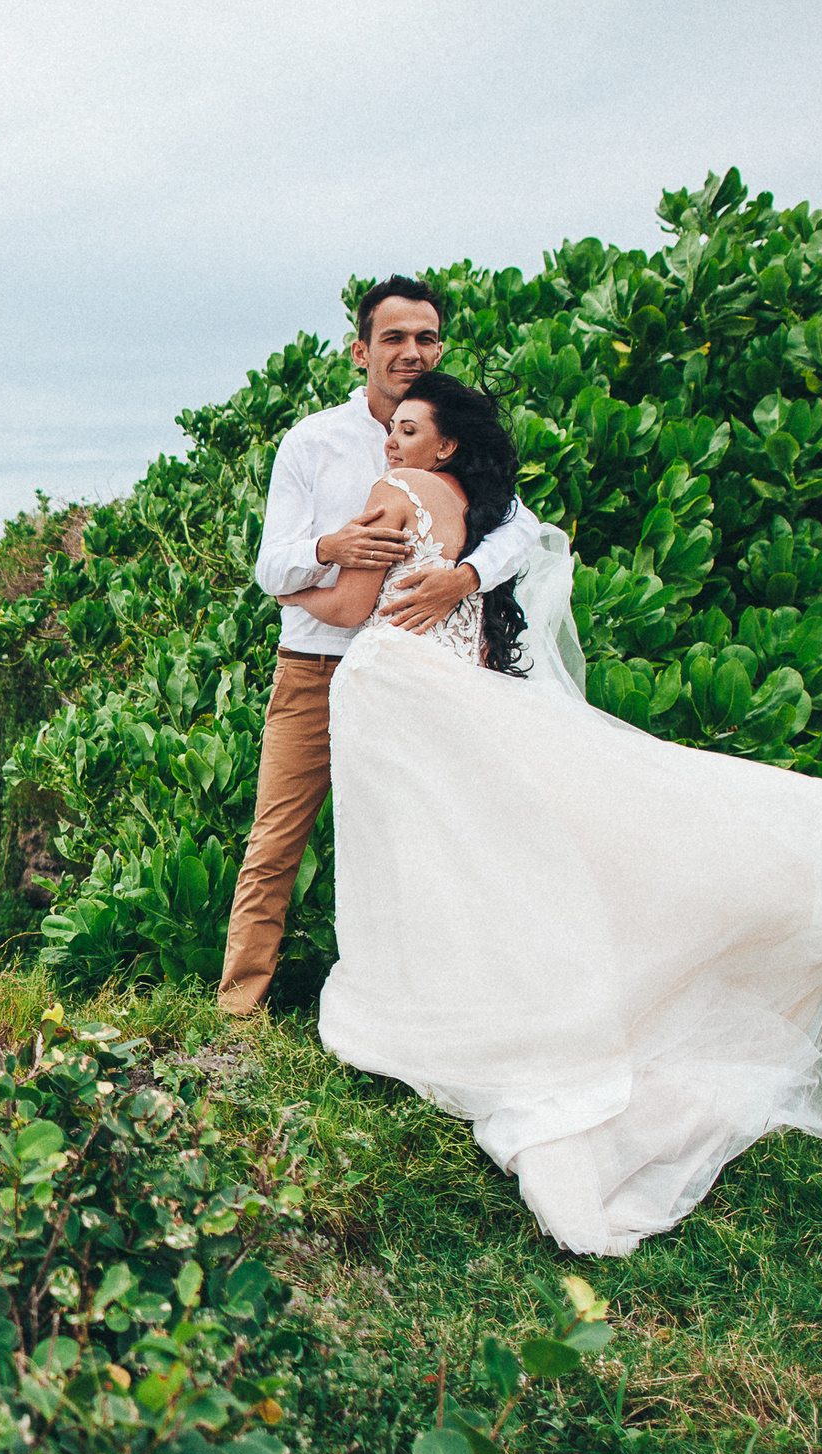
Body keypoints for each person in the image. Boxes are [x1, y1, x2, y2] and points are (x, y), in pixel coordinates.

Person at [275, 371, 822, 1255]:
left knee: (424, 860)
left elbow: (344, 605)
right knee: (480, 854)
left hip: (394, 692)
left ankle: (444, 1009)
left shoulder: (395, 493)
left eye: (410, 429)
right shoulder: (474, 508)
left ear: (443, 444)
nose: (394, 442)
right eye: (394, 429)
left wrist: (292, 575)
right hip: (451, 688)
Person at [216, 276, 548, 1016]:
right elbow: (270, 563)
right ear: (362, 349)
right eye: (395, 338)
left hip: (412, 676)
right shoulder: (312, 442)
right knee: (277, 839)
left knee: (417, 841)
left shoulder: (446, 435)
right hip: (315, 667)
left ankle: (426, 1004)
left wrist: (463, 577)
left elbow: (522, 528)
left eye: (426, 337)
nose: (412, 351)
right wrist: (326, 547)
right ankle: (240, 1009)